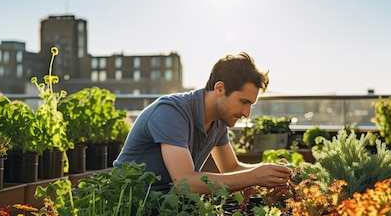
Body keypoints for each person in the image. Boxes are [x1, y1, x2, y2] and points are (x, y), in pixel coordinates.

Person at [113, 52, 293, 193]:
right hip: (129, 207)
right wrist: (255, 176)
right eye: (244, 102)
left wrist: (269, 171)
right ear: (220, 89)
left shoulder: (219, 120)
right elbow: (185, 182)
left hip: (167, 210)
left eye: (251, 105)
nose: (246, 113)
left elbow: (230, 168)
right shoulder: (171, 112)